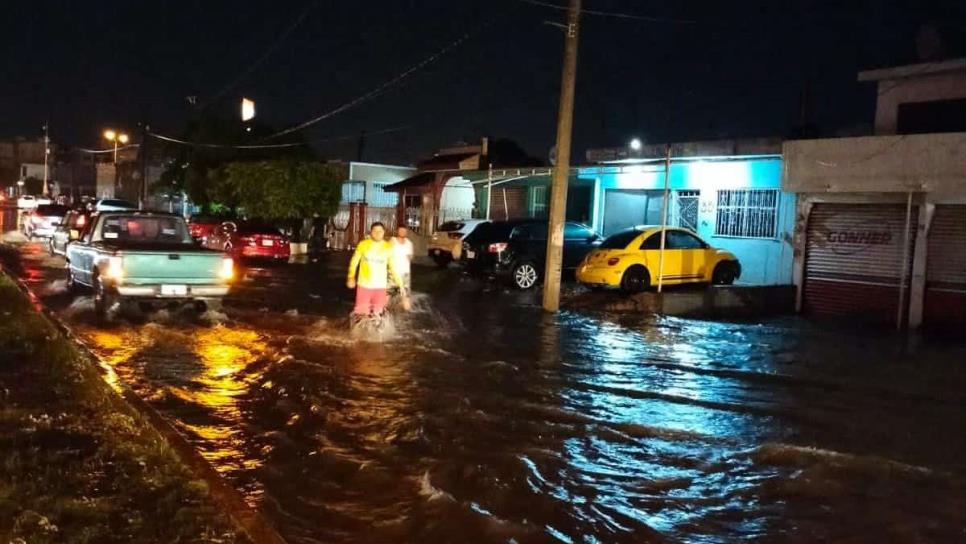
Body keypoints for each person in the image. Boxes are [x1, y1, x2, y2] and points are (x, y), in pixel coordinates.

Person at [346, 222, 404, 319]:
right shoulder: (363, 245)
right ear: (371, 232)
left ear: (383, 232)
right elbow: (354, 262)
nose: (377, 233)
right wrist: (351, 276)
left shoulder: (388, 247)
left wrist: (400, 283)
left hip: (380, 287)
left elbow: (393, 267)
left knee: (378, 316)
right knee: (361, 315)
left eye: (380, 231)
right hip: (364, 286)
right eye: (375, 231)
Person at [390, 225, 414, 294]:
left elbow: (411, 257)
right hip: (393, 273)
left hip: (405, 273)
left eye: (404, 231)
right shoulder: (392, 240)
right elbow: (387, 253)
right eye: (401, 231)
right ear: (397, 231)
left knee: (405, 295)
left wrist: (410, 257)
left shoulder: (409, 243)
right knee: (388, 294)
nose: (402, 232)